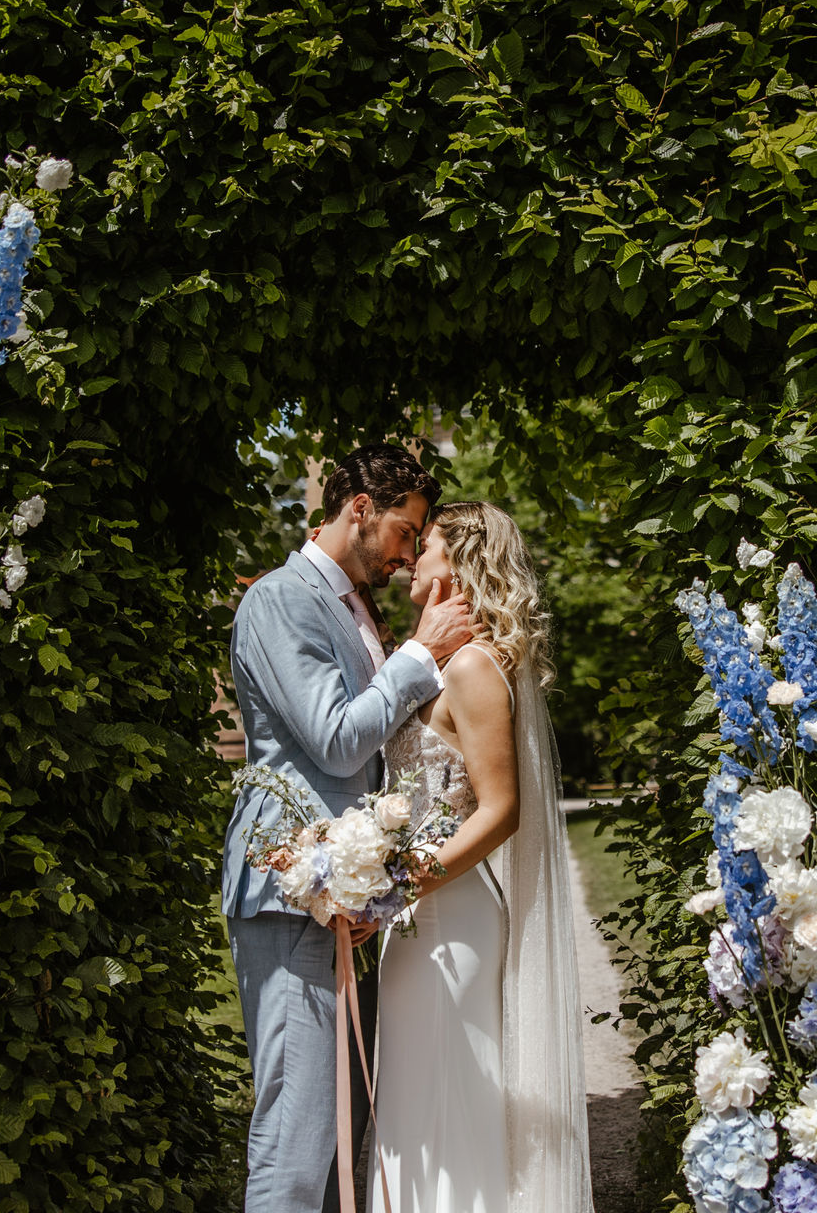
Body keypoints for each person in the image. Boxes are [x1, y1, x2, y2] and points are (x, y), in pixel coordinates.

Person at [223, 445, 478, 1213]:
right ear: (359, 509)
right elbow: (335, 738)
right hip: (288, 882)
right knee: (297, 1130)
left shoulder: (352, 608)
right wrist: (421, 654)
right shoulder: (280, 599)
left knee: (342, 1124)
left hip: (345, 891)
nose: (407, 556)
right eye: (406, 532)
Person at [374, 501, 594, 1212]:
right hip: (418, 918)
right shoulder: (438, 660)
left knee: (445, 1112)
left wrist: (400, 885)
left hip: (445, 918)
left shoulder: (471, 666)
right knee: (419, 1108)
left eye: (425, 543)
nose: (410, 556)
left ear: (462, 560)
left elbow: (501, 811)